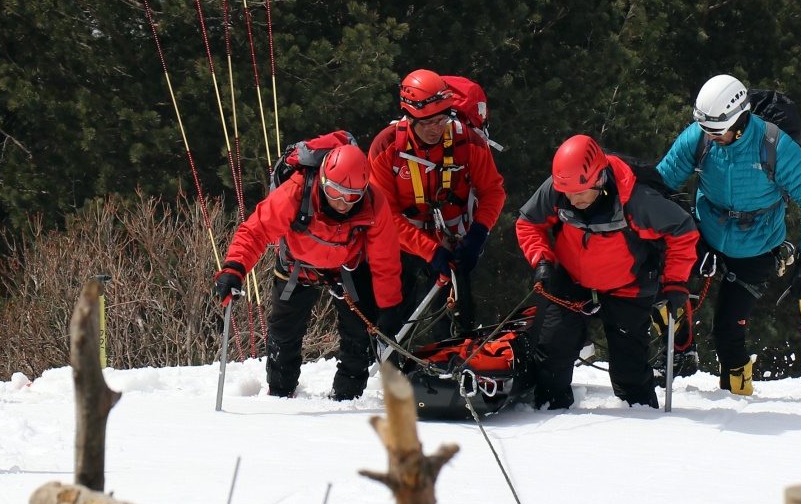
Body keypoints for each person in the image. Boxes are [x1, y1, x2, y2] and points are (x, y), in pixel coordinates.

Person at [656, 74, 801, 395]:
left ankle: (738, 396)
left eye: (716, 132)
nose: (709, 137)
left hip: (757, 246)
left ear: (739, 121)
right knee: (657, 289)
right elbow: (660, 183)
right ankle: (680, 350)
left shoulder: (775, 147)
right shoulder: (700, 137)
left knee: (726, 333)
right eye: (705, 130)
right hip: (705, 233)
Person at [515, 135, 699, 409]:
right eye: (567, 192)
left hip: (627, 284)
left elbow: (682, 231)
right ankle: (549, 411)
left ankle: (641, 422)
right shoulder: (562, 186)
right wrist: (541, 260)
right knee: (552, 352)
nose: (572, 199)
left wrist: (675, 282)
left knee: (630, 371)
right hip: (570, 279)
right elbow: (528, 221)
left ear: (600, 179)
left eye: (580, 192)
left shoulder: (637, 199)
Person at [212, 143, 404, 400]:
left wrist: (389, 307)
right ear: (323, 179)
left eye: (351, 196)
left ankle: (348, 398)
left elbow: (385, 260)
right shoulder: (297, 190)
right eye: (335, 192)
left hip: (347, 268)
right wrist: (234, 268)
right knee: (284, 334)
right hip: (296, 267)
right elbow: (256, 230)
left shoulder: (373, 203)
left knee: (359, 335)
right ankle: (280, 394)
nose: (342, 203)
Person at [368, 69, 506, 341]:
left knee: (456, 318)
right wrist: (429, 251)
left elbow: (493, 192)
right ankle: (395, 371)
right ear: (409, 117)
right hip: (402, 243)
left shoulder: (468, 141)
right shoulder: (386, 147)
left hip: (452, 242)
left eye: (442, 120)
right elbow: (384, 214)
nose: (435, 129)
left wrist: (478, 234)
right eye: (427, 122)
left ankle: (452, 369)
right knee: (392, 316)